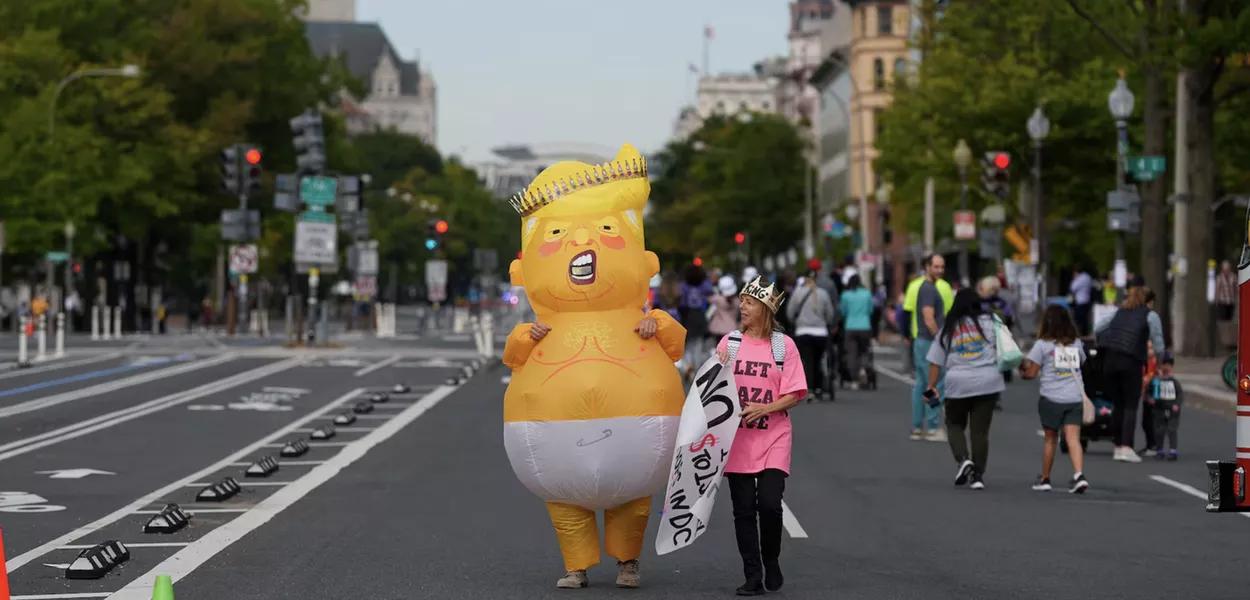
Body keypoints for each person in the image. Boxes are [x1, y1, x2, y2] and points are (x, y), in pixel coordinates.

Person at [715, 277, 806, 596]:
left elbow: (796, 393)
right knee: (742, 510)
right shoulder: (730, 343)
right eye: (741, 300)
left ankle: (772, 559)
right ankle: (752, 575)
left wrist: (765, 408)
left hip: (773, 437)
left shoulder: (784, 346)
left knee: (769, 504)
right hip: (735, 440)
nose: (742, 306)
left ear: (766, 310)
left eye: (749, 302)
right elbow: (712, 390)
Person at [1020, 305, 1091, 494]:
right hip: (1074, 397)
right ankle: (1079, 475)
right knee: (1073, 439)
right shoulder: (1076, 343)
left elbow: (1031, 373)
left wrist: (1022, 370)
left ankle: (1045, 478)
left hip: (1051, 397)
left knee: (1050, 440)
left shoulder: (1042, 345)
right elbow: (1082, 364)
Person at [1094, 285, 1166, 463]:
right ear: (1149, 302)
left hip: (1110, 361)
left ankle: (1118, 446)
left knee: (1118, 405)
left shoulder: (1119, 312)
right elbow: (1159, 344)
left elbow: (1098, 327)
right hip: (1131, 361)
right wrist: (1160, 362)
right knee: (1130, 405)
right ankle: (1126, 447)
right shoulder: (1150, 315)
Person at [906, 254, 953, 441]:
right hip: (929, 342)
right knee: (934, 383)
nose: (939, 270)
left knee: (921, 384)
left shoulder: (928, 288)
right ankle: (933, 427)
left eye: (942, 267)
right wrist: (939, 339)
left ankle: (917, 426)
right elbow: (928, 317)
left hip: (922, 341)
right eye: (936, 267)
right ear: (927, 267)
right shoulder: (928, 290)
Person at [787, 272, 837, 402]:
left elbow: (790, 313)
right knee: (819, 360)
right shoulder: (823, 294)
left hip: (803, 331)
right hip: (820, 332)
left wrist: (796, 322)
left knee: (807, 361)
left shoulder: (798, 293)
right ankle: (819, 387)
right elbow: (830, 314)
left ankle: (809, 389)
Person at [678, 265, 715, 380]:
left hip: (688, 316)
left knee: (687, 345)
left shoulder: (684, 287)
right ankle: (697, 369)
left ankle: (688, 366)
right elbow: (710, 291)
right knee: (698, 345)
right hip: (700, 316)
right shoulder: (703, 286)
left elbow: (682, 303)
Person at [1147, 351, 1183, 461]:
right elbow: (1149, 391)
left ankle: (1173, 450)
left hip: (1172, 408)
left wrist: (1177, 404)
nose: (1166, 367)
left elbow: (1179, 394)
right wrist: (1150, 399)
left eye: (1169, 365)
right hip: (1159, 408)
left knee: (1172, 429)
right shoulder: (1155, 380)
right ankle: (1159, 450)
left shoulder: (1174, 381)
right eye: (1164, 364)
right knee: (1159, 430)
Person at [840, 274, 874, 388]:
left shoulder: (846, 295)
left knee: (852, 354)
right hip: (865, 325)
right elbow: (871, 310)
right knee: (865, 350)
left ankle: (854, 378)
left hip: (850, 326)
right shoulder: (867, 294)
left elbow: (843, 311)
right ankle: (864, 369)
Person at [708, 275, 741, 346]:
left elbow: (708, 298)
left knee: (719, 347)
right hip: (733, 328)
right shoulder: (737, 301)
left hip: (719, 329)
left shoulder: (718, 299)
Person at [1070, 267, 1095, 335]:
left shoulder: (1080, 278)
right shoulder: (1088, 277)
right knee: (1085, 319)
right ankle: (1085, 333)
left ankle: (1079, 333)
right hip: (1087, 300)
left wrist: (1075, 279)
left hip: (1080, 301)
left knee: (1078, 319)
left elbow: (1073, 288)